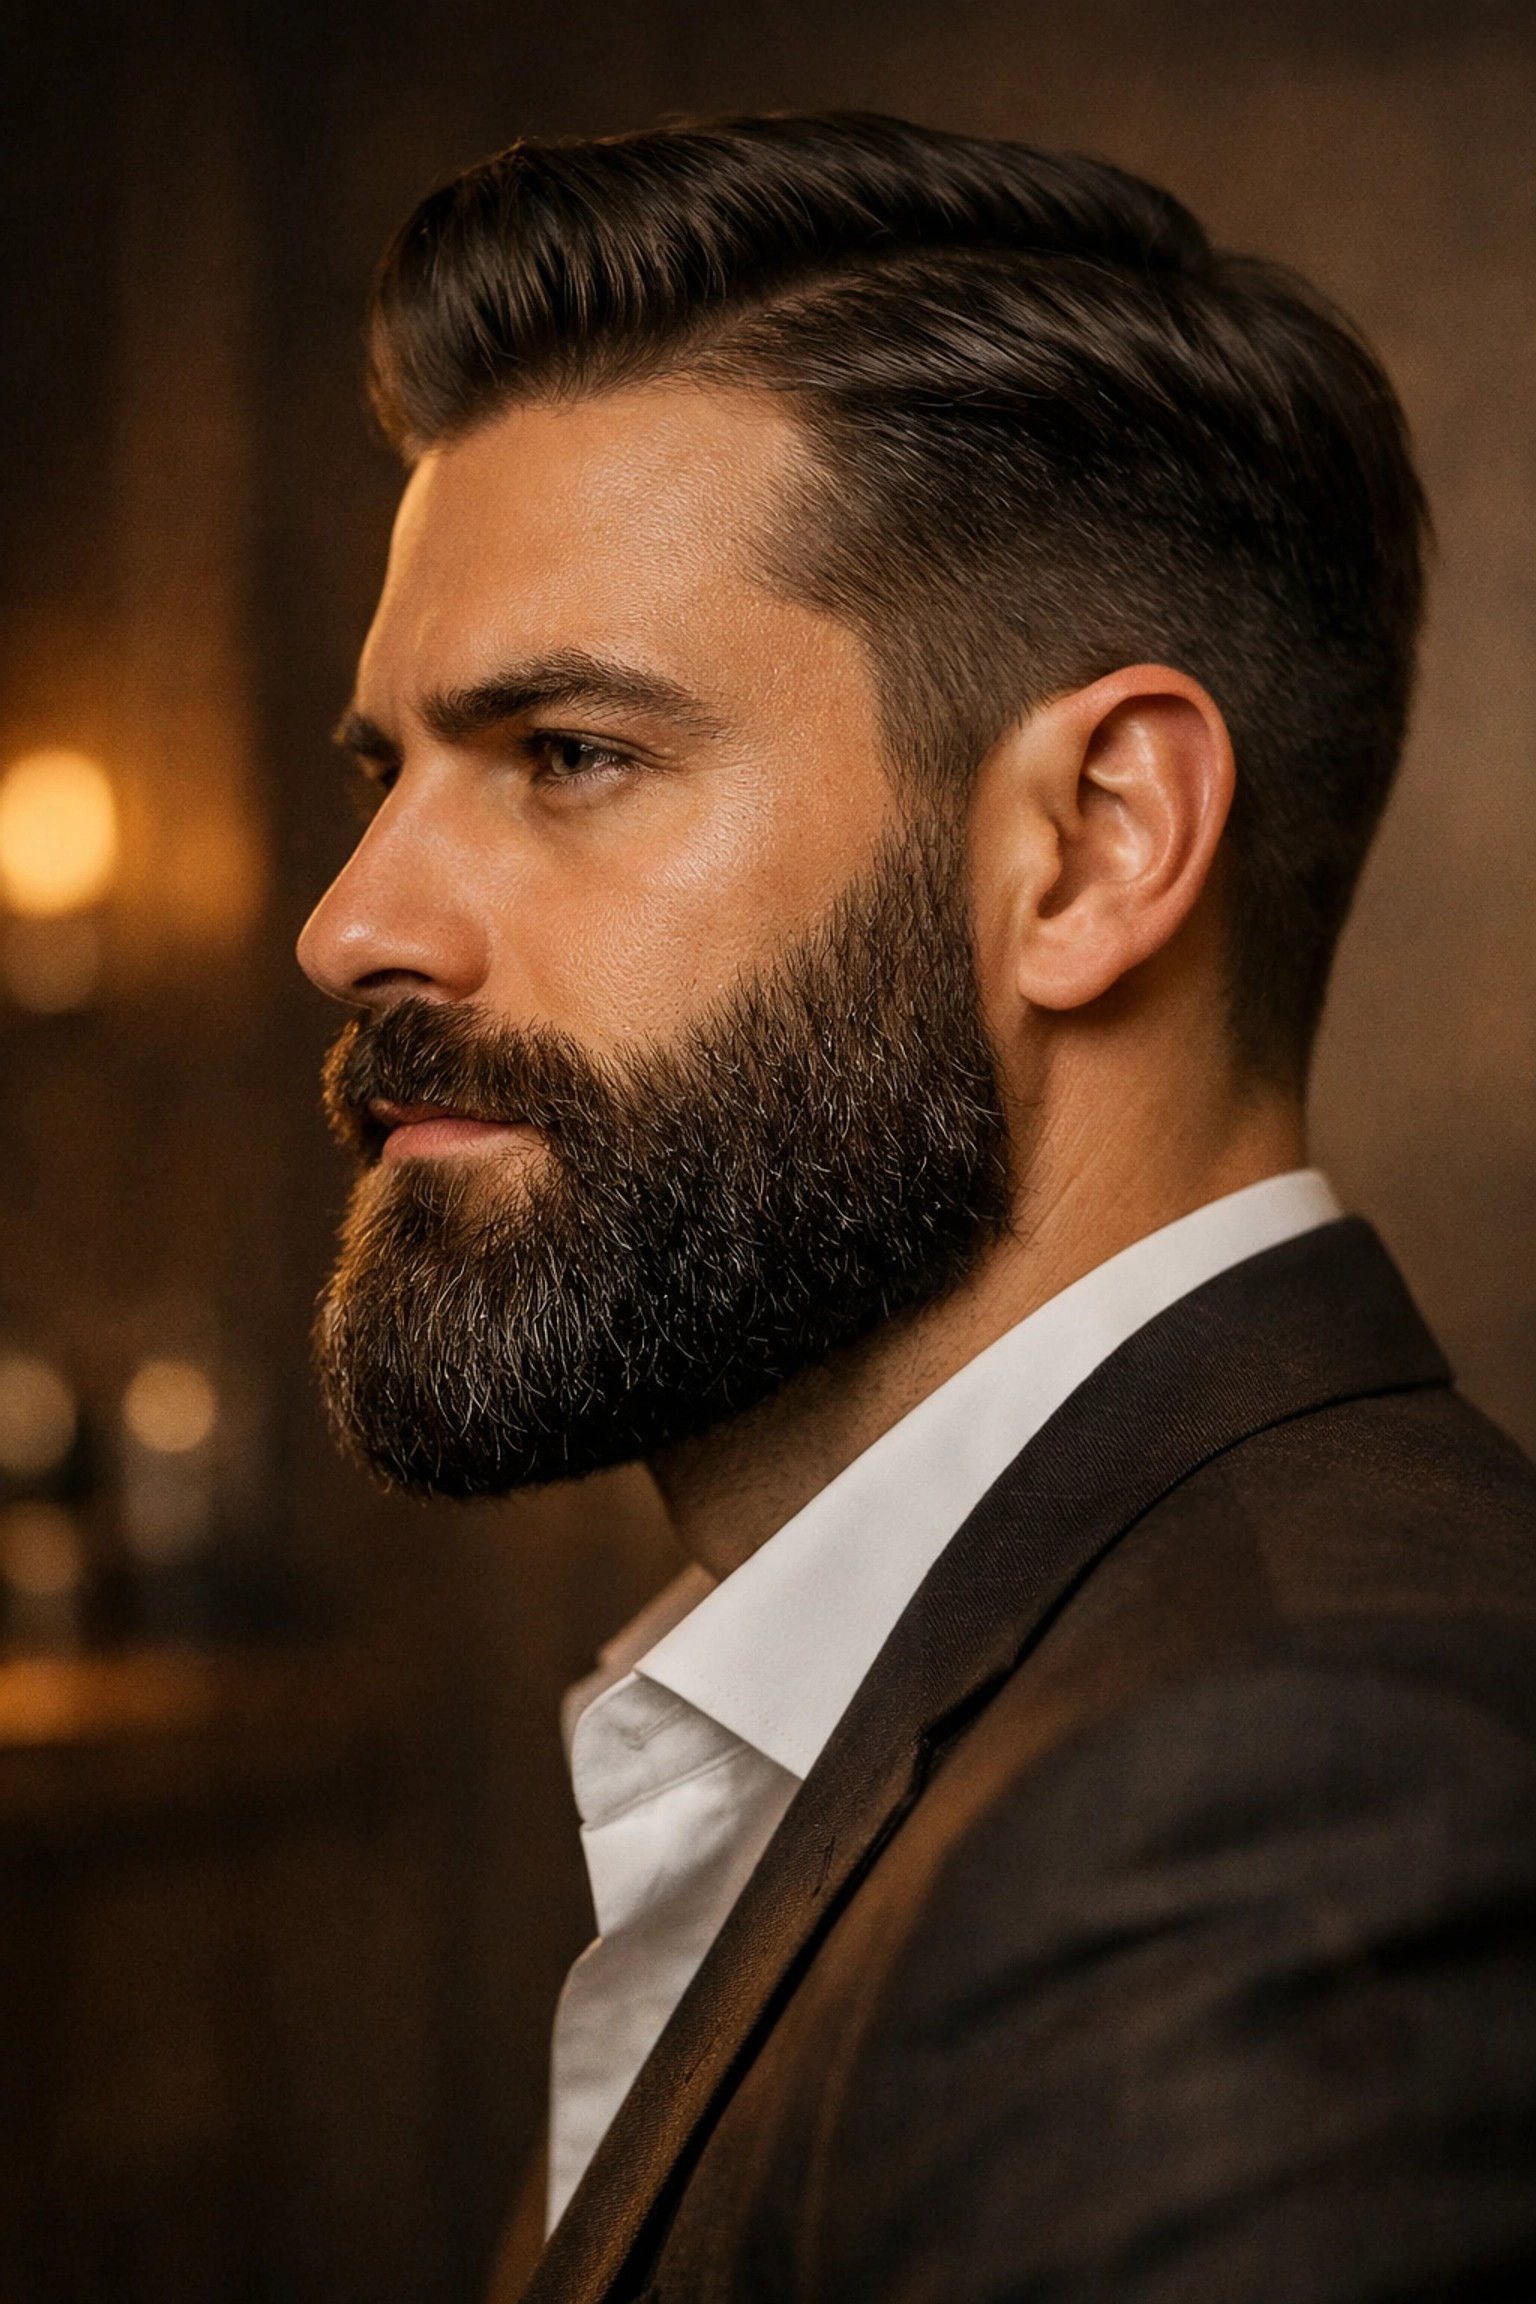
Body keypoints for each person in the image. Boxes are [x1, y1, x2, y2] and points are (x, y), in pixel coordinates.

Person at [297, 114, 1536, 2304]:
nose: (352, 925)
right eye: (385, 772)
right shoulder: (982, 1692)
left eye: (568, 753)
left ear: (1089, 847)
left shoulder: (1286, 1812)